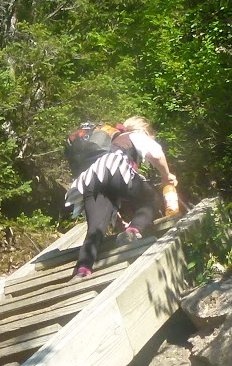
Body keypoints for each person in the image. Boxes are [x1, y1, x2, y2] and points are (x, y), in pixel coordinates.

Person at [66, 116, 178, 278]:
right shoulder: (133, 135)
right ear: (144, 131)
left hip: (90, 179)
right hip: (114, 167)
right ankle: (133, 231)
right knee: (150, 199)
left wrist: (119, 222)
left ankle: (83, 269)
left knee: (95, 230)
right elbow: (157, 154)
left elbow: (110, 198)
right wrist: (166, 176)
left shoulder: (113, 142)